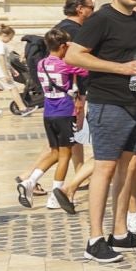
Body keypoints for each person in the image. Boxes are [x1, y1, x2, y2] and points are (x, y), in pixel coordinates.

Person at [67, 0, 136, 264]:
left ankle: (120, 232)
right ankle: (94, 239)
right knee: (105, 168)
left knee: (132, 166)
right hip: (109, 102)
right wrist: (121, 69)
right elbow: (73, 55)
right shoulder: (101, 19)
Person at [16, 27, 84, 210]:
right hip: (65, 111)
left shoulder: (42, 64)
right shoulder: (67, 64)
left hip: (49, 113)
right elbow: (86, 69)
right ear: (63, 46)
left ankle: (30, 182)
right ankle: (56, 194)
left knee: (54, 152)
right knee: (65, 155)